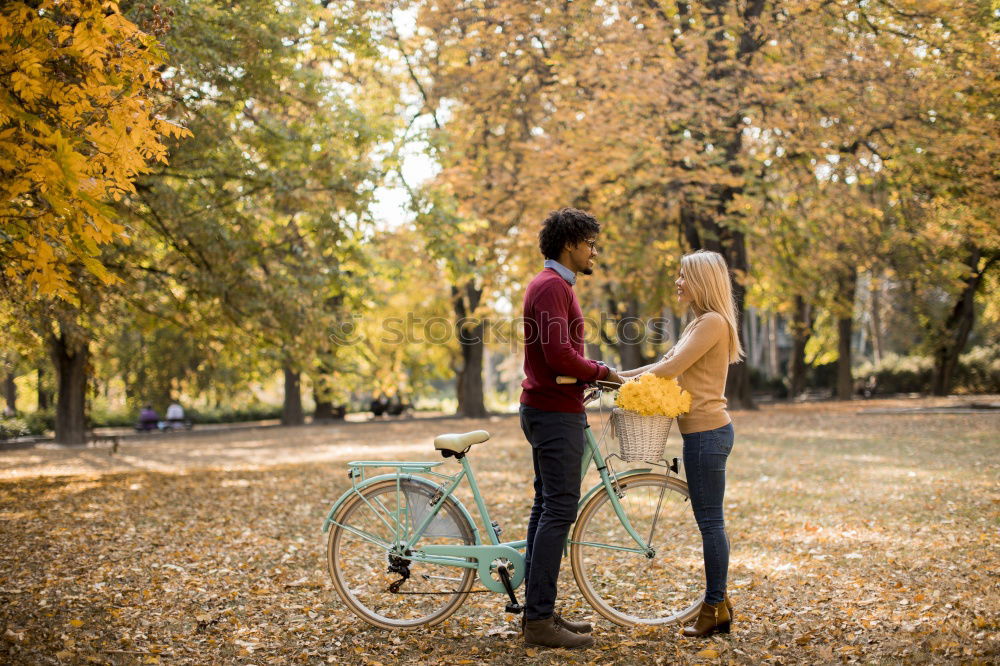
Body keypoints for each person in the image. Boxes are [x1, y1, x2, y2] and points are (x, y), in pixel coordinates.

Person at [619, 249, 744, 637]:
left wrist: (618, 380)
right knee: (709, 521)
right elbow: (661, 365)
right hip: (701, 434)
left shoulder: (713, 323)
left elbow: (669, 370)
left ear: (702, 281)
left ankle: (713, 607)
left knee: (710, 523)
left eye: (683, 276)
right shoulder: (698, 324)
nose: (678, 282)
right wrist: (611, 377)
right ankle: (719, 605)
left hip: (708, 434)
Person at [519, 207, 623, 649]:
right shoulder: (550, 287)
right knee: (558, 510)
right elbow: (559, 355)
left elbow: (560, 356)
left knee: (548, 509)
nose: (594, 251)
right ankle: (539, 621)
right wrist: (601, 371)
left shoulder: (555, 286)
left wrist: (586, 374)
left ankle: (538, 612)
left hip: (554, 408)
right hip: (553, 413)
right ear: (570, 244)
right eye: (590, 243)